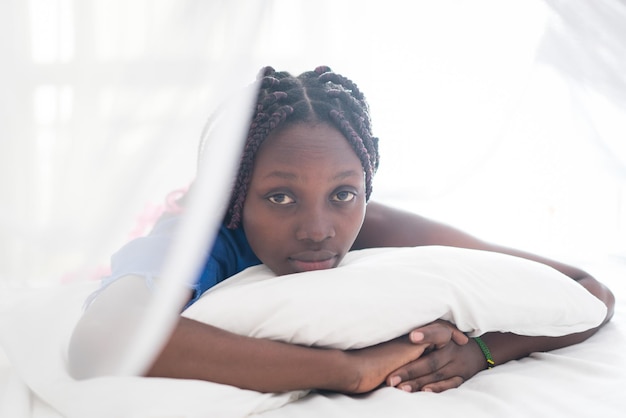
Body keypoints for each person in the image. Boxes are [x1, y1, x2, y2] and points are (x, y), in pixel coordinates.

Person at [68, 65, 615, 394]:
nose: (317, 229)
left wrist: (483, 353)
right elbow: (101, 340)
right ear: (232, 195)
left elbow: (589, 292)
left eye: (342, 194)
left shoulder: (371, 222)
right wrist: (348, 370)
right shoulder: (198, 236)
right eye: (279, 197)